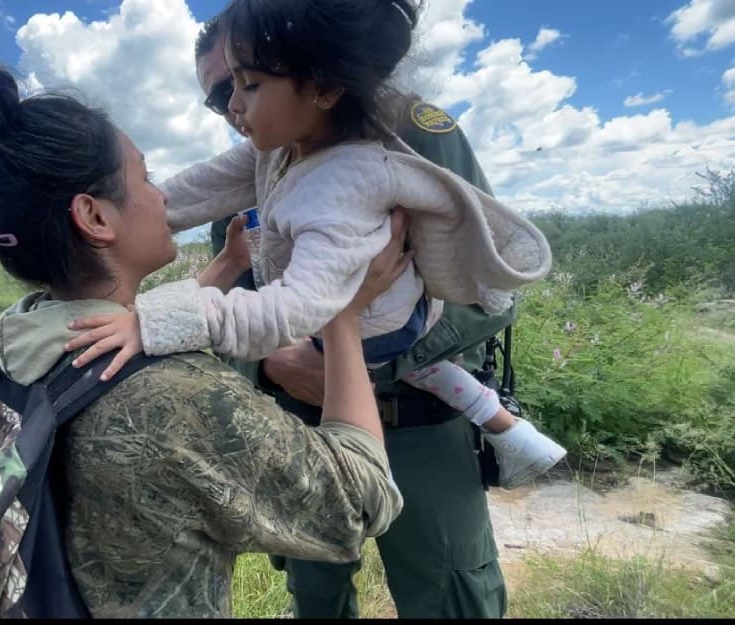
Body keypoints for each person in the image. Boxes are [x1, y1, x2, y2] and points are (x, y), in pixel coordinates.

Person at [65, 2, 557, 618]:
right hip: (306, 426)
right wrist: (89, 219)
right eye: (219, 98)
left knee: (448, 593)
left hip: (417, 424)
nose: (232, 109)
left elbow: (485, 291)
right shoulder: (271, 161)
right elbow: (240, 288)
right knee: (317, 597)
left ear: (322, 76)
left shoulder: (404, 136)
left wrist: (367, 357)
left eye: (243, 83)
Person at [0, 52, 406, 619]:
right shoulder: (180, 400)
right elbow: (359, 500)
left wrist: (221, 270)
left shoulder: (18, 353)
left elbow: (137, 325)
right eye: (145, 178)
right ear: (96, 218)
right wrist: (342, 311)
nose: (163, 196)